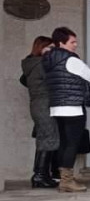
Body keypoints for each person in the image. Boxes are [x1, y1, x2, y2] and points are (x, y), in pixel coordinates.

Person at [42, 27, 90, 193]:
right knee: (72, 144)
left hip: (57, 108)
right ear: (61, 43)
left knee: (64, 144)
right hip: (73, 107)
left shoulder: (48, 59)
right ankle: (67, 181)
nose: (75, 45)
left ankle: (62, 179)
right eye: (72, 42)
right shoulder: (71, 60)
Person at [20, 35, 59, 188]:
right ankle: (40, 176)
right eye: (50, 48)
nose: (52, 51)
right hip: (44, 104)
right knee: (49, 138)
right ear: (40, 48)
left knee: (44, 138)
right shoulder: (42, 64)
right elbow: (54, 81)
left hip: (37, 103)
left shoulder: (30, 64)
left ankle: (41, 175)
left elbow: (23, 80)